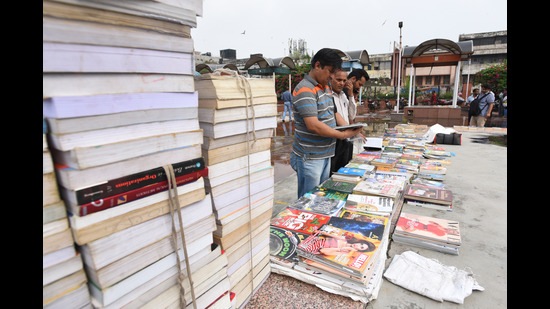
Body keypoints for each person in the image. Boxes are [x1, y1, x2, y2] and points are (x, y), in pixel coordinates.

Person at [290, 48, 363, 199]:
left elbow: (333, 112)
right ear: (317, 65)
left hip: (326, 153)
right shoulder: (305, 89)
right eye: (329, 71)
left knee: (320, 195)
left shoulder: (326, 87)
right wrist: (342, 134)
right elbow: (313, 125)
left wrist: (350, 128)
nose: (331, 76)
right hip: (310, 156)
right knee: (307, 199)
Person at [329, 69, 366, 175]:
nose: (342, 83)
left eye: (344, 80)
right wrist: (354, 131)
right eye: (339, 80)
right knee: (333, 170)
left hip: (347, 137)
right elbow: (336, 116)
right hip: (335, 138)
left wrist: (350, 96)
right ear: (331, 78)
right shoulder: (328, 96)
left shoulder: (344, 95)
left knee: (344, 168)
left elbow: (352, 115)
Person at [298, 231, 376, 256]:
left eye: (361, 247)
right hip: (313, 238)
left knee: (296, 246)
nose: (359, 245)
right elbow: (329, 234)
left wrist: (341, 248)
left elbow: (323, 251)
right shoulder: (346, 239)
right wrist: (321, 232)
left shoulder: (345, 252)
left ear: (360, 250)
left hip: (310, 248)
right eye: (361, 244)